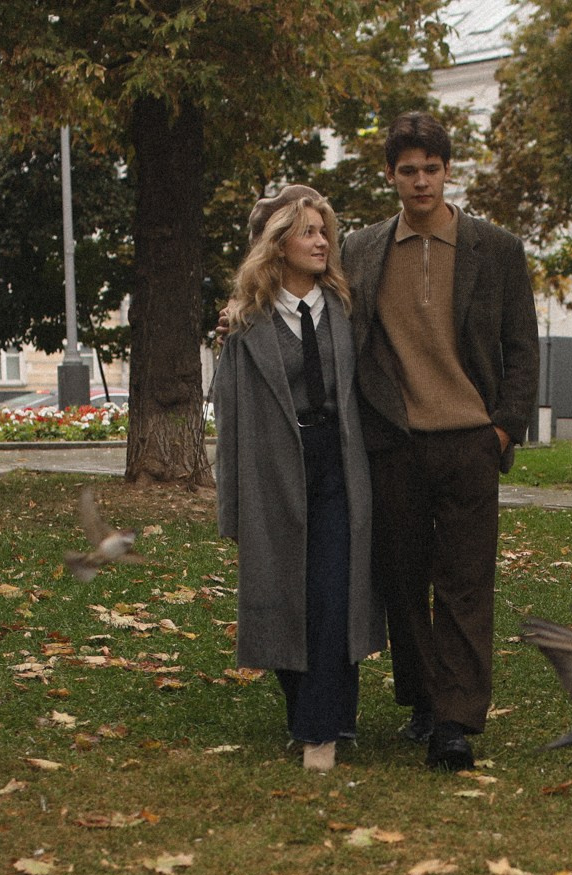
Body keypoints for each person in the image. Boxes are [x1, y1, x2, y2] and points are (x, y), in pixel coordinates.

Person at [343, 111, 540, 772]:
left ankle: (455, 722)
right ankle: (424, 700)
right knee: (402, 580)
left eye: (431, 169)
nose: (420, 181)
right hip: (395, 443)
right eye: (408, 171)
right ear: (391, 176)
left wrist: (503, 429)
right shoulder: (361, 250)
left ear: (448, 172)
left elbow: (523, 349)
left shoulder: (497, 250)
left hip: (469, 444)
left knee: (464, 584)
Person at [214, 185, 384, 772]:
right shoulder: (247, 326)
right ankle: (320, 712)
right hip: (275, 472)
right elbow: (230, 422)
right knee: (285, 593)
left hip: (339, 465)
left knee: (335, 592)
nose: (321, 241)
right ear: (278, 243)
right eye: (307, 231)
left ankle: (321, 732)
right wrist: (231, 506)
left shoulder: (344, 307)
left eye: (323, 231)